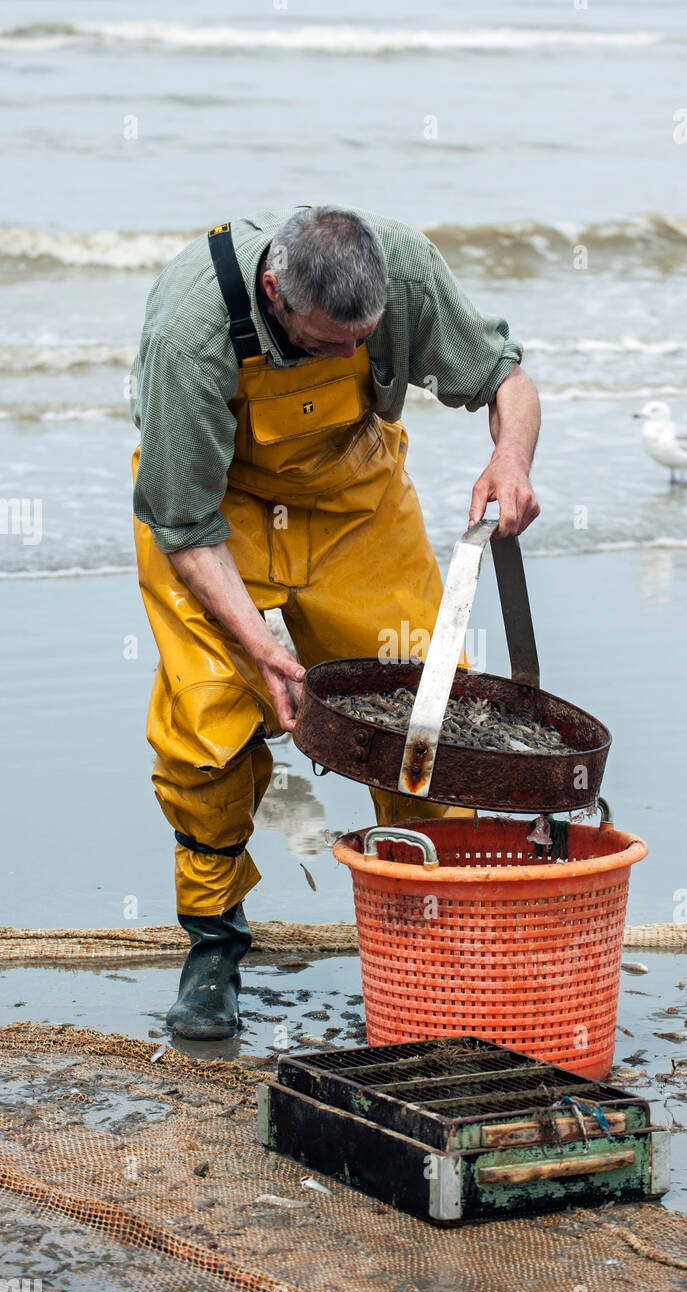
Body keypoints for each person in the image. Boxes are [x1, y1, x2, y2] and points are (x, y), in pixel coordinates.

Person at [130, 205, 541, 1039]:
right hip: (216, 516)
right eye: (328, 344)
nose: (352, 356)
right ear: (274, 293)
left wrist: (510, 458)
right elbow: (183, 524)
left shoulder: (408, 268)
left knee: (427, 713)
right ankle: (214, 945)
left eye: (366, 339)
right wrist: (263, 650)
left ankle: (439, 934)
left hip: (353, 495)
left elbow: (504, 377)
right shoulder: (188, 334)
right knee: (204, 728)